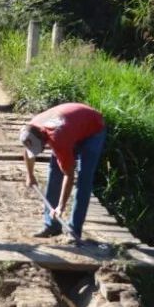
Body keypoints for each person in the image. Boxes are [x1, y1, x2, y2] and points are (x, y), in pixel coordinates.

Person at [20, 102, 107, 241]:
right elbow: (28, 150)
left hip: (93, 129)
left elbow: (69, 175)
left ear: (44, 140)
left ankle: (74, 231)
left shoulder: (58, 138)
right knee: (54, 171)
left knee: (83, 179)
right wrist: (30, 175)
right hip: (72, 125)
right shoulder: (31, 128)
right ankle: (51, 226)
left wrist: (61, 206)